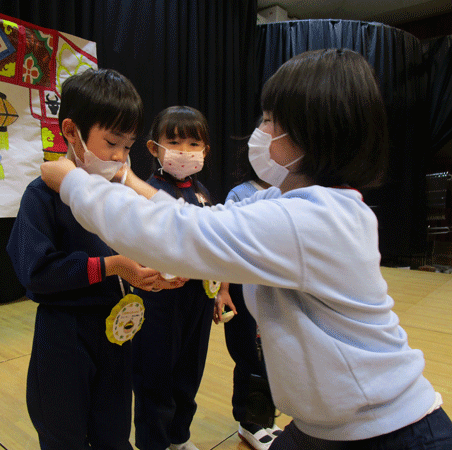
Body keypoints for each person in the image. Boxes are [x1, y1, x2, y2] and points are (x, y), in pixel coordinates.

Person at [40, 49, 452, 449]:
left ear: (312, 132)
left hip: (387, 430)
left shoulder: (310, 219)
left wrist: (74, 182)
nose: (261, 131)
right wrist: (127, 180)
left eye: (271, 120)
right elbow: (197, 218)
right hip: (332, 423)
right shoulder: (292, 201)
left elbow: (179, 233)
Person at [6, 68, 179, 450]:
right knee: (63, 433)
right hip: (65, 331)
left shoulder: (119, 194)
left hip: (117, 328)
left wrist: (156, 274)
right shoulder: (43, 194)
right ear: (71, 131)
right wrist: (112, 266)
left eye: (128, 146)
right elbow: (36, 271)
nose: (120, 157)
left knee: (113, 431)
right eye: (112, 142)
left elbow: (157, 236)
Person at [130, 106, 221, 450]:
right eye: (174, 142)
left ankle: (179, 437)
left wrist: (221, 290)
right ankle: (154, 442)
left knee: (189, 372)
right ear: (154, 147)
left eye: (193, 143)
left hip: (198, 298)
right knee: (155, 375)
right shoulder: (143, 190)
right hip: (159, 299)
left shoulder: (204, 193)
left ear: (205, 151)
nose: (184, 151)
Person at [214, 166, 282, 450]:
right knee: (247, 356)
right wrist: (224, 290)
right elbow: (227, 245)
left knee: (271, 356)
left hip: (273, 288)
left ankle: (265, 416)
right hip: (242, 289)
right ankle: (248, 421)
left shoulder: (288, 190)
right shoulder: (241, 194)